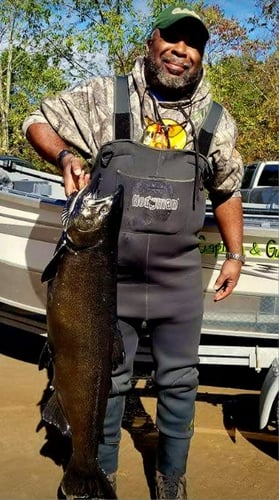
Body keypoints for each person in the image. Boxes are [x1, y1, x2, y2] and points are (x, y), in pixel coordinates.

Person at [23, 4, 244, 499]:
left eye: (192, 44)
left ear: (202, 55)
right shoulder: (105, 96)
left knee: (181, 384)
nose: (180, 51)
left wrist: (234, 254)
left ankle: (171, 476)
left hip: (177, 281)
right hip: (104, 280)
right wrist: (64, 155)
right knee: (109, 381)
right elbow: (36, 121)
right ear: (151, 42)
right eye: (171, 38)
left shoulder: (216, 120)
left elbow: (228, 189)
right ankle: (94, 474)